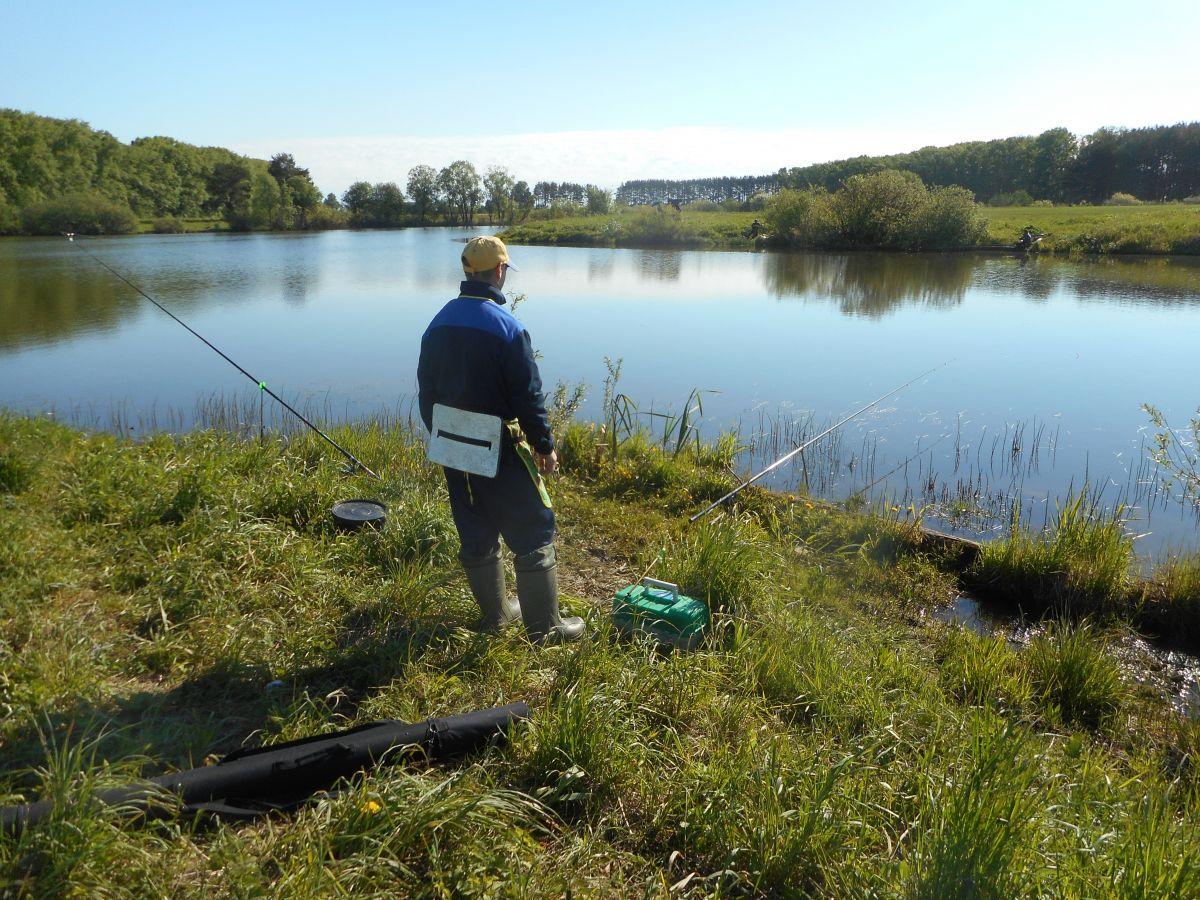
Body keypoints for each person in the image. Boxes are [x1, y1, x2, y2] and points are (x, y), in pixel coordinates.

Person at [417, 236, 585, 644]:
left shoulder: (438, 322)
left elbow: (426, 392)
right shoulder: (508, 328)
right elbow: (528, 398)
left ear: (467, 273)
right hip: (500, 444)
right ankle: (545, 629)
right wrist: (544, 445)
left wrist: (444, 438)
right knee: (534, 527)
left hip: (452, 443)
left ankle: (497, 616)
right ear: (499, 272)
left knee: (474, 526)